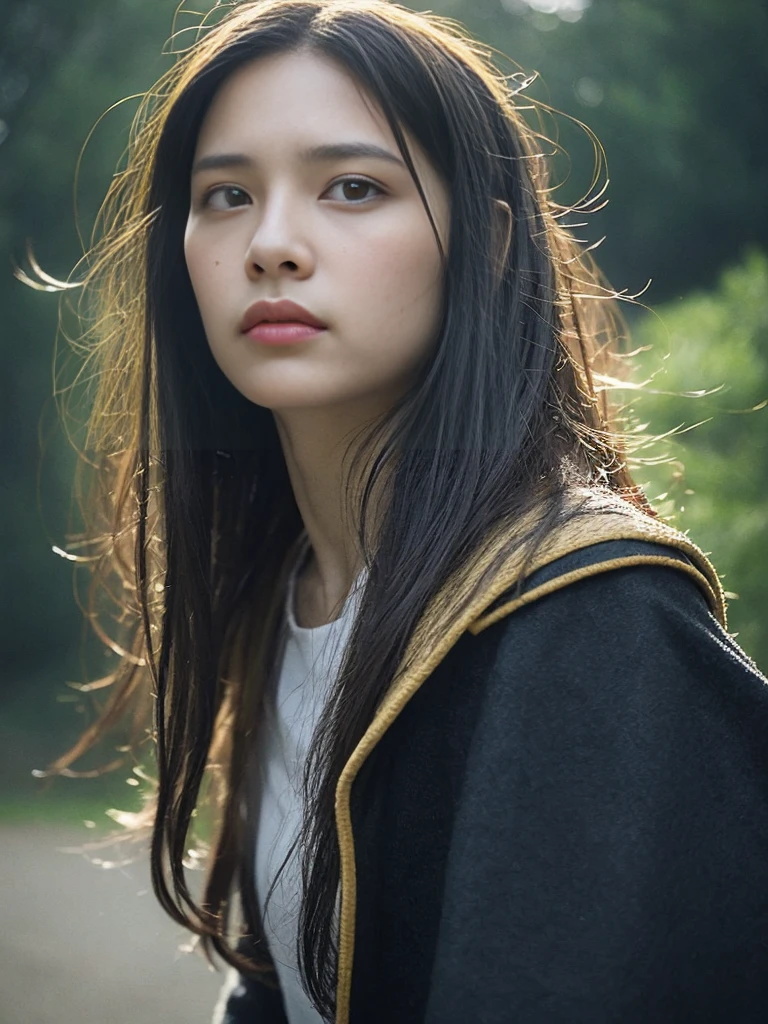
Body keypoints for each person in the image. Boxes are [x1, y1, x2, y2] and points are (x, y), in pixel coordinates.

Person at [30, 1, 768, 1021]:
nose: (273, 243)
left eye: (353, 187)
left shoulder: (593, 619)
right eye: (228, 194)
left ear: (490, 243)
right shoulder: (287, 600)